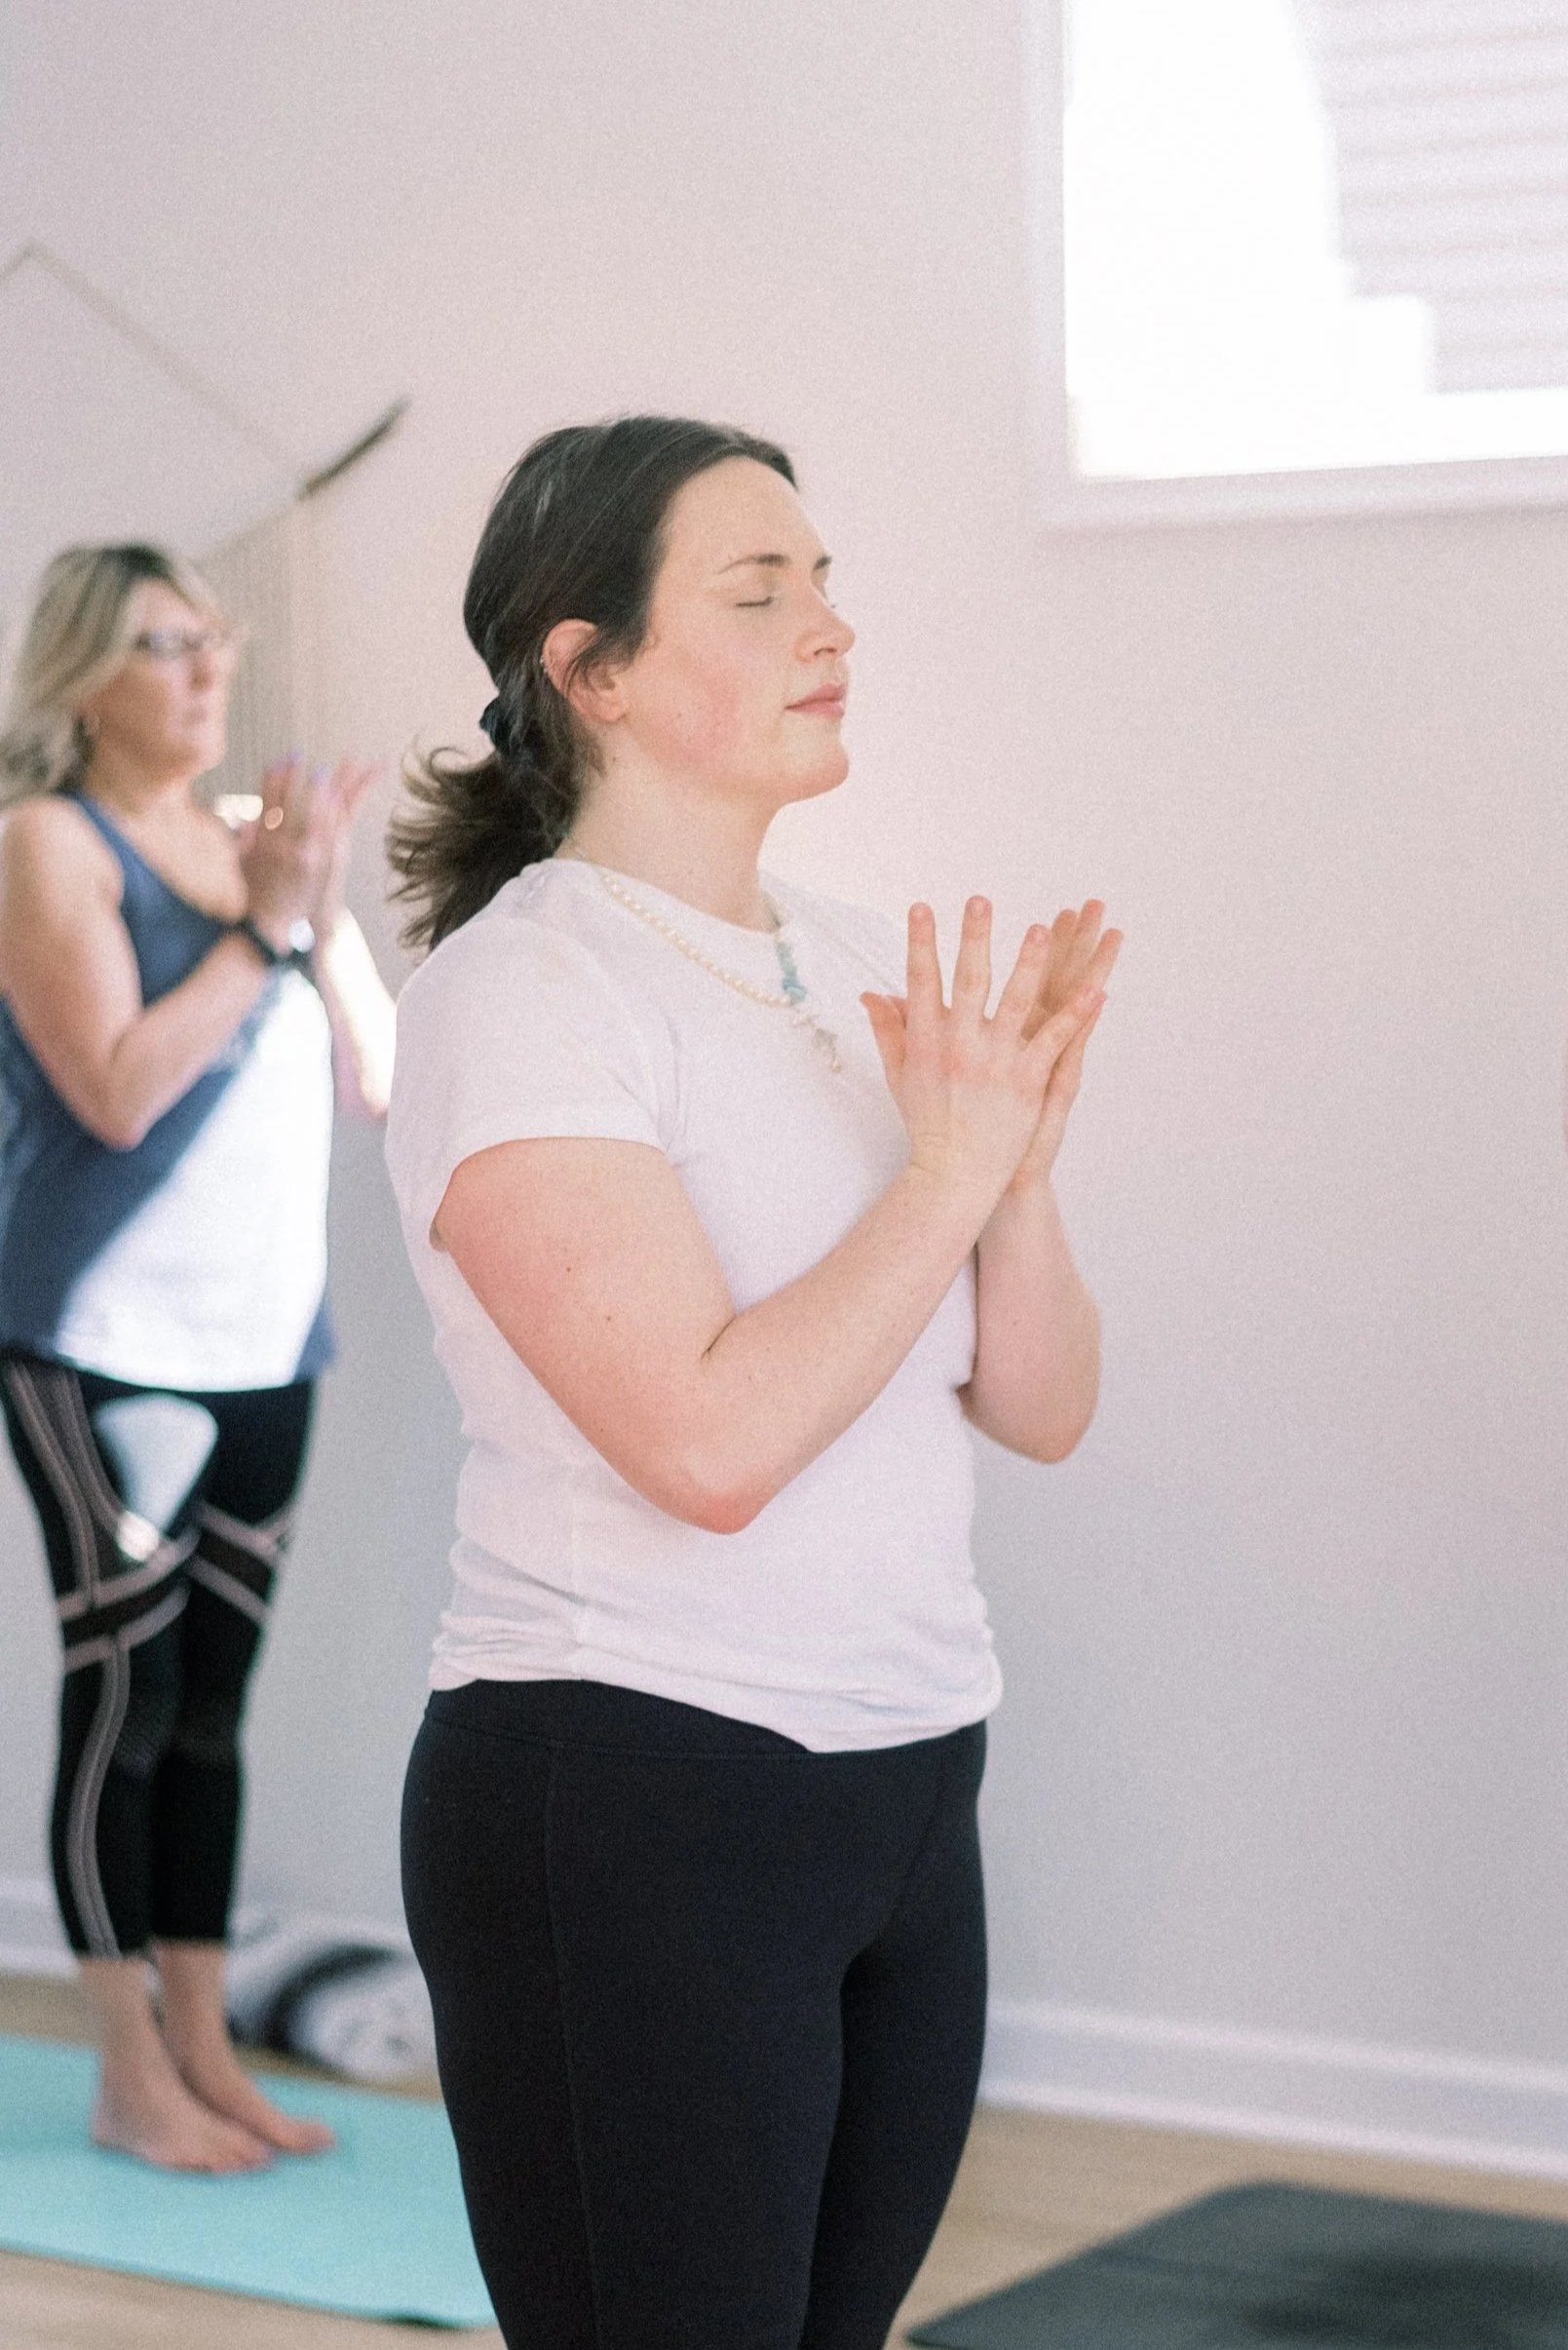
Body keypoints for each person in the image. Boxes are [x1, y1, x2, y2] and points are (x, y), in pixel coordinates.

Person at [385, 416, 1122, 2350]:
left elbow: (1037, 1404)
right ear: (590, 667)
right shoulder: (518, 992)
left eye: (825, 577)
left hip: (903, 1786)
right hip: (633, 1794)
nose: (828, 623)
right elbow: (706, 1446)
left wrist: (1014, 1171)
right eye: (758, 587)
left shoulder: (865, 965)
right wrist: (946, 1172)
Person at [0, 542, 396, 2173]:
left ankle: (204, 2051)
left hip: (267, 1343)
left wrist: (317, 898)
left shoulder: (257, 848)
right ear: (84, 675)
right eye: (164, 646)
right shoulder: (45, 844)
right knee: (130, 1698)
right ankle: (125, 2076)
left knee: (215, 1712)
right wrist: (265, 928)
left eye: (213, 642)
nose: (204, 673)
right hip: (104, 1345)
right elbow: (113, 1088)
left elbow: (376, 1074)